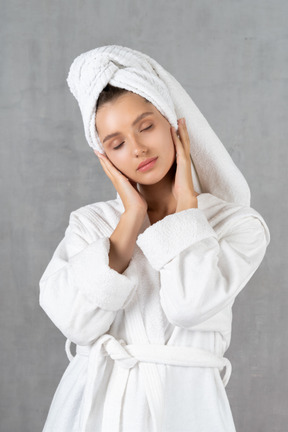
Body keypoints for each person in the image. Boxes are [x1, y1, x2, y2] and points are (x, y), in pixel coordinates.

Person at [39, 46, 270, 432]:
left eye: (145, 126)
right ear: (104, 156)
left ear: (173, 125)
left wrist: (187, 209)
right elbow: (77, 324)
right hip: (95, 409)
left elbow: (188, 305)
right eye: (116, 143)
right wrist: (130, 218)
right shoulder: (91, 224)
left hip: (187, 409)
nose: (139, 149)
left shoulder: (236, 225)